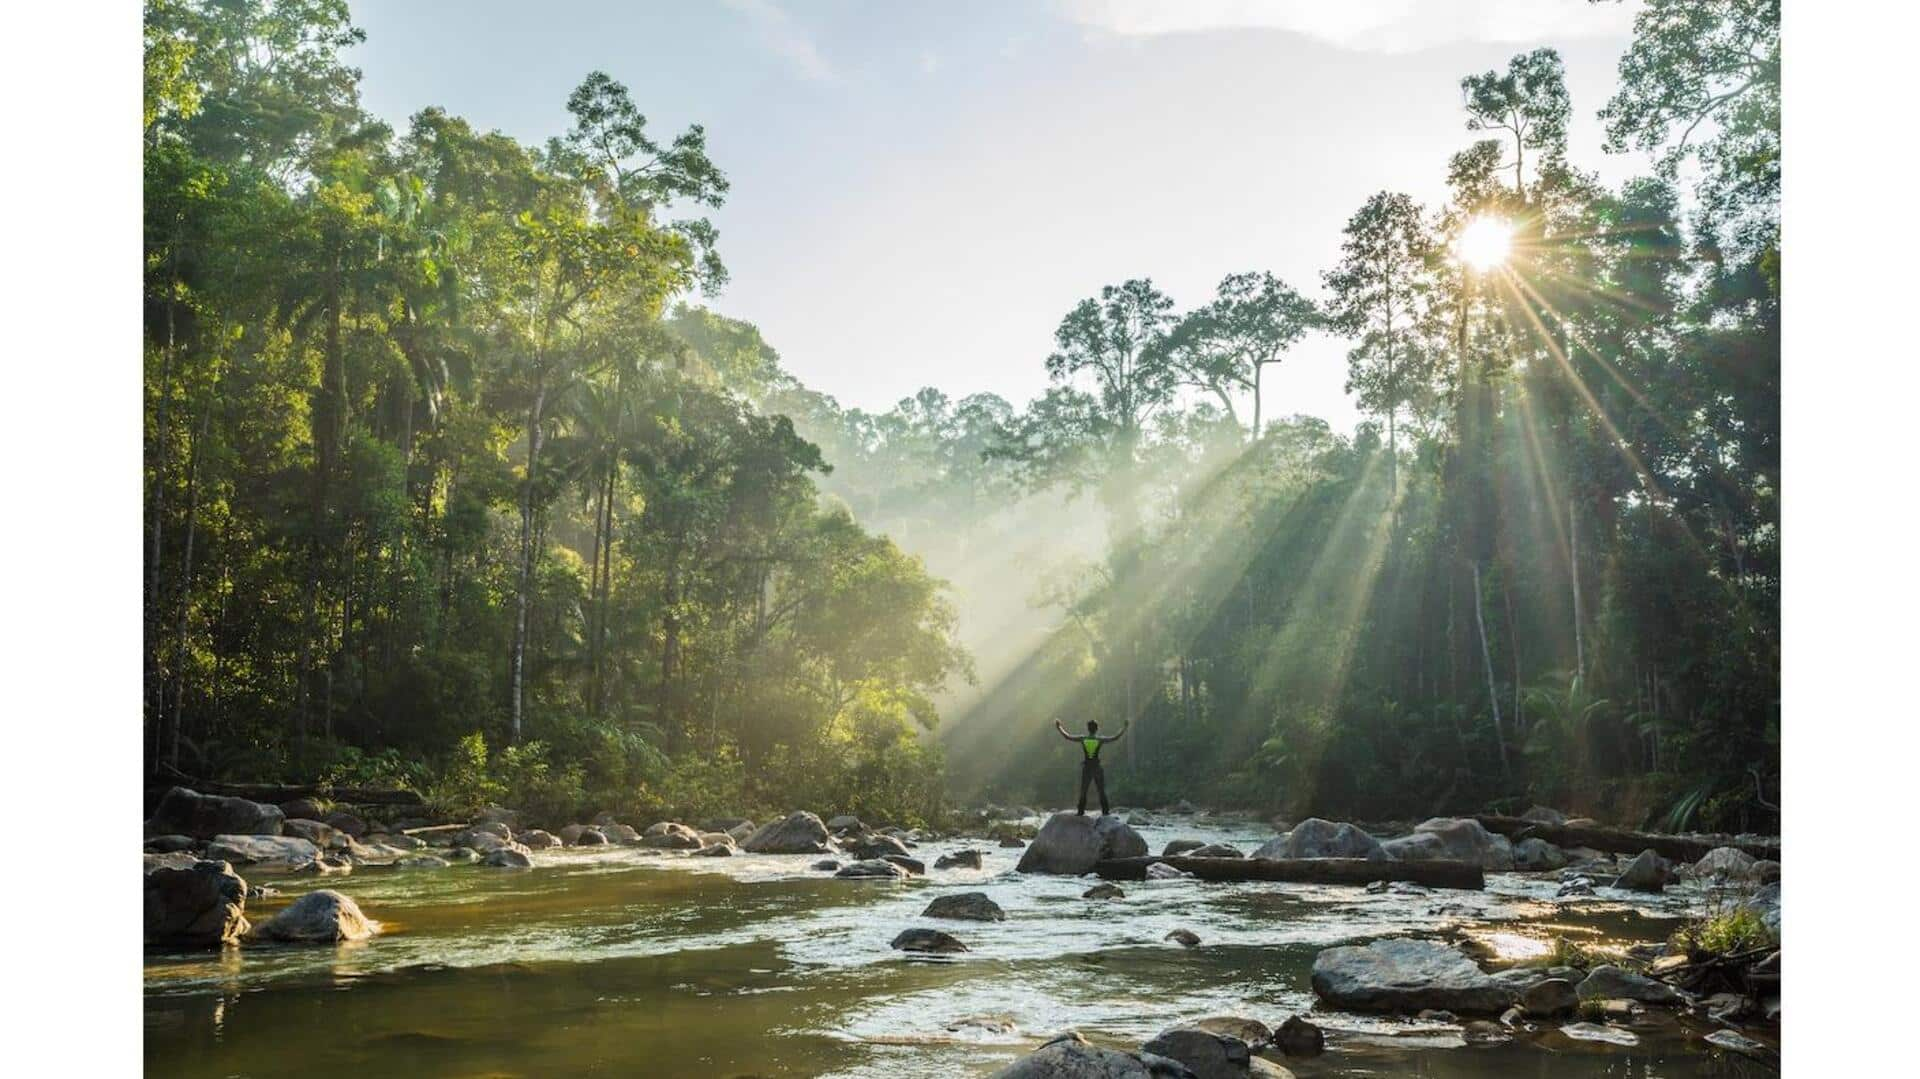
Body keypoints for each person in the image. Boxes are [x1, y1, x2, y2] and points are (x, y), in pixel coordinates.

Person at [1054, 717, 1128, 815]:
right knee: (1101, 790)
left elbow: (1067, 736)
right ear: (1096, 729)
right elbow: (1115, 738)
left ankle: (1080, 812)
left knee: (1083, 790)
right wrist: (1124, 727)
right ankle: (1105, 812)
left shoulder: (1083, 739)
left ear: (1088, 728)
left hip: (1087, 769)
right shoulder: (1100, 739)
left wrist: (1059, 727)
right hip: (1097, 768)